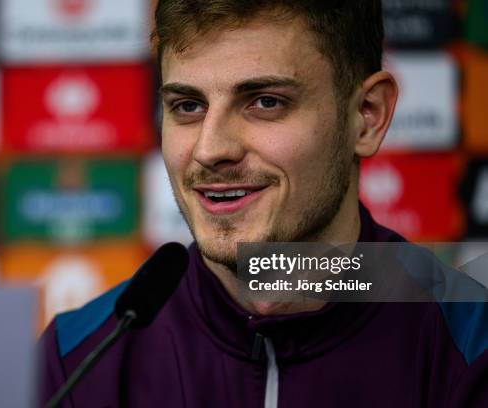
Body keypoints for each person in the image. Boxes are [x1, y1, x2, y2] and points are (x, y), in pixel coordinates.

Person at [39, 1, 488, 406]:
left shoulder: (472, 345)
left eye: (265, 101)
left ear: (367, 116)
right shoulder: (80, 362)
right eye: (188, 106)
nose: (210, 149)